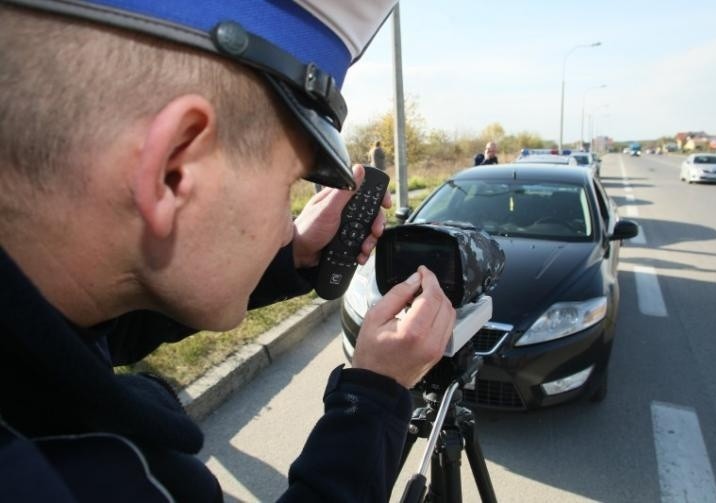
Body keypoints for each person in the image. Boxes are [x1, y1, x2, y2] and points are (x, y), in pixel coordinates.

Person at [0, 1, 456, 502]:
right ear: (176, 171)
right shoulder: (68, 480)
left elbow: (97, 334)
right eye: (288, 187)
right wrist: (374, 396)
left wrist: (299, 253)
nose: (287, 225)